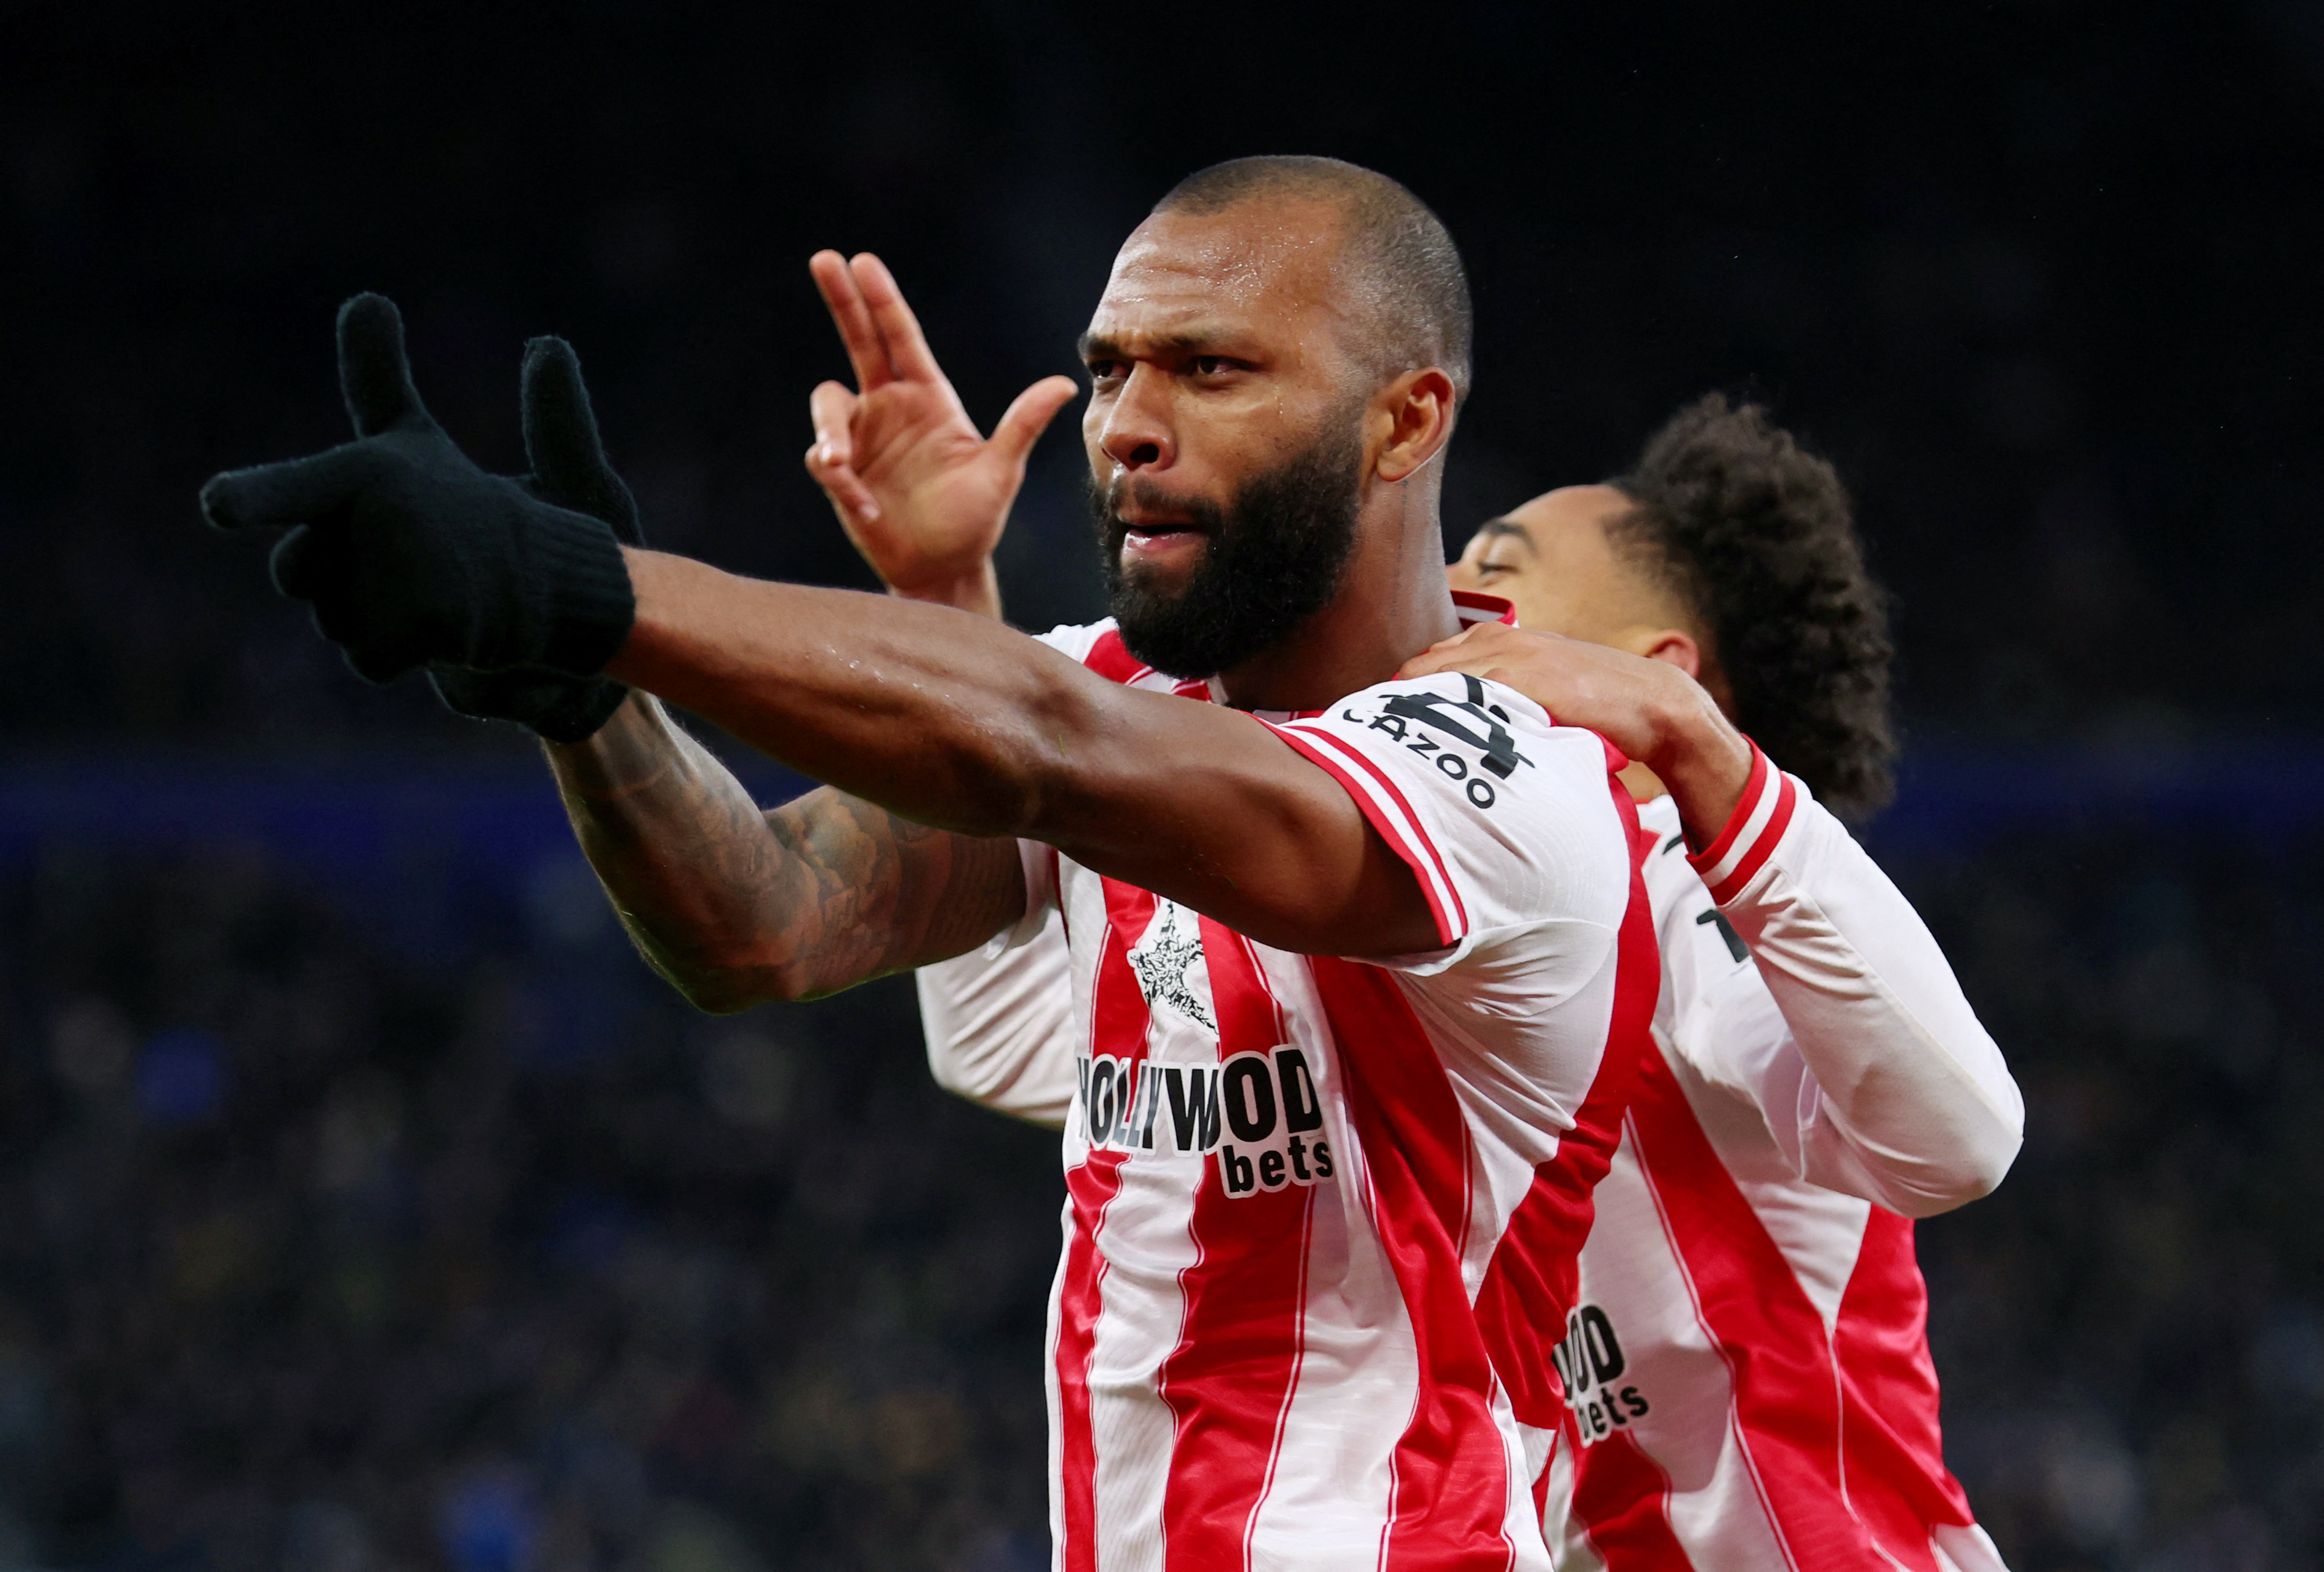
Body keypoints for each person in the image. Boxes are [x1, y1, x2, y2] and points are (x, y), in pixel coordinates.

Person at [202, 157, 1663, 1570]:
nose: (1127, 427)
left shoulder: (1510, 767)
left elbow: (1044, 747)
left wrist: (581, 589)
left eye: (1211, 370)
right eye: (1108, 370)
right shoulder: (1118, 696)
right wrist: (584, 701)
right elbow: (763, 923)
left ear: (1402, 422)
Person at [809, 319, 2022, 1569]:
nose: (1447, 585)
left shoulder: (1671, 888)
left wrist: (1689, 746)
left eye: (1498, 564)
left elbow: (1961, 1139)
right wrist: (945, 601)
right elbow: (1001, 1045)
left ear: (1649, 672)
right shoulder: (1416, 928)